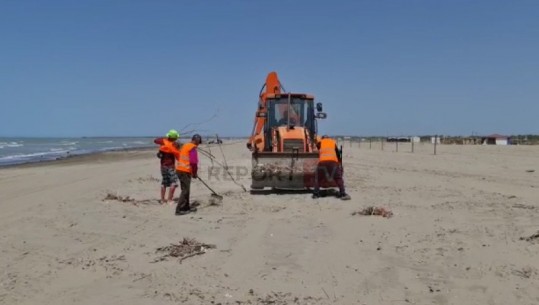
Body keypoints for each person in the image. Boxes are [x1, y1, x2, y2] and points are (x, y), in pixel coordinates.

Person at [312, 135, 351, 200]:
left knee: (318, 178)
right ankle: (343, 193)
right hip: (333, 162)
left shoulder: (320, 142)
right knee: (338, 178)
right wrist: (339, 162)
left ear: (322, 138)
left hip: (322, 162)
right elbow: (338, 153)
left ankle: (315, 194)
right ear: (329, 138)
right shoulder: (333, 142)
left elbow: (317, 149)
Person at [175, 134, 202, 215]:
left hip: (180, 169)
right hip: (184, 171)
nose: (198, 144)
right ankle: (179, 209)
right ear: (196, 140)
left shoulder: (185, 145)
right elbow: (193, 163)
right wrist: (194, 173)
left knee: (186, 189)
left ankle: (186, 207)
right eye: (199, 142)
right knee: (185, 190)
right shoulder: (192, 148)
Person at [154, 129, 181, 204]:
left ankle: (162, 200)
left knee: (164, 182)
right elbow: (179, 156)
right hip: (170, 166)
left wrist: (165, 139)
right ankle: (169, 200)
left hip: (163, 166)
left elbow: (155, 140)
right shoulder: (174, 145)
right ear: (174, 138)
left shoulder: (163, 142)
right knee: (174, 182)